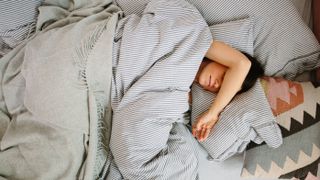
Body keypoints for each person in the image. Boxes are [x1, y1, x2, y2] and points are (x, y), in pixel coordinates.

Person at [191, 40, 264, 142]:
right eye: (224, 77)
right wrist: (213, 113)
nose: (216, 85)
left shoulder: (183, 90)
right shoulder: (199, 41)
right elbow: (242, 64)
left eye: (221, 90)